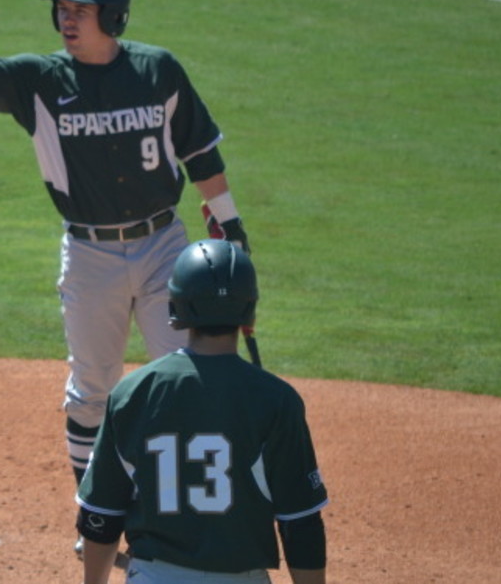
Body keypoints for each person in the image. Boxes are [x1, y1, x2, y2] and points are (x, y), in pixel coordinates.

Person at [0, 0, 252, 550]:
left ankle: (184, 511)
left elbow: (201, 154)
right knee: (93, 388)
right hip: (88, 254)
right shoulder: (39, 80)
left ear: (114, 15)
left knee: (188, 376)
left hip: (165, 246)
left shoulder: (158, 70)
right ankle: (97, 514)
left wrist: (231, 227)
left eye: (80, 8)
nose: (66, 17)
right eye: (61, 7)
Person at [75, 239, 329, 584]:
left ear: (176, 305)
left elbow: (101, 516)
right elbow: (301, 523)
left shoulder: (133, 392)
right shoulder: (277, 399)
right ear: (248, 310)